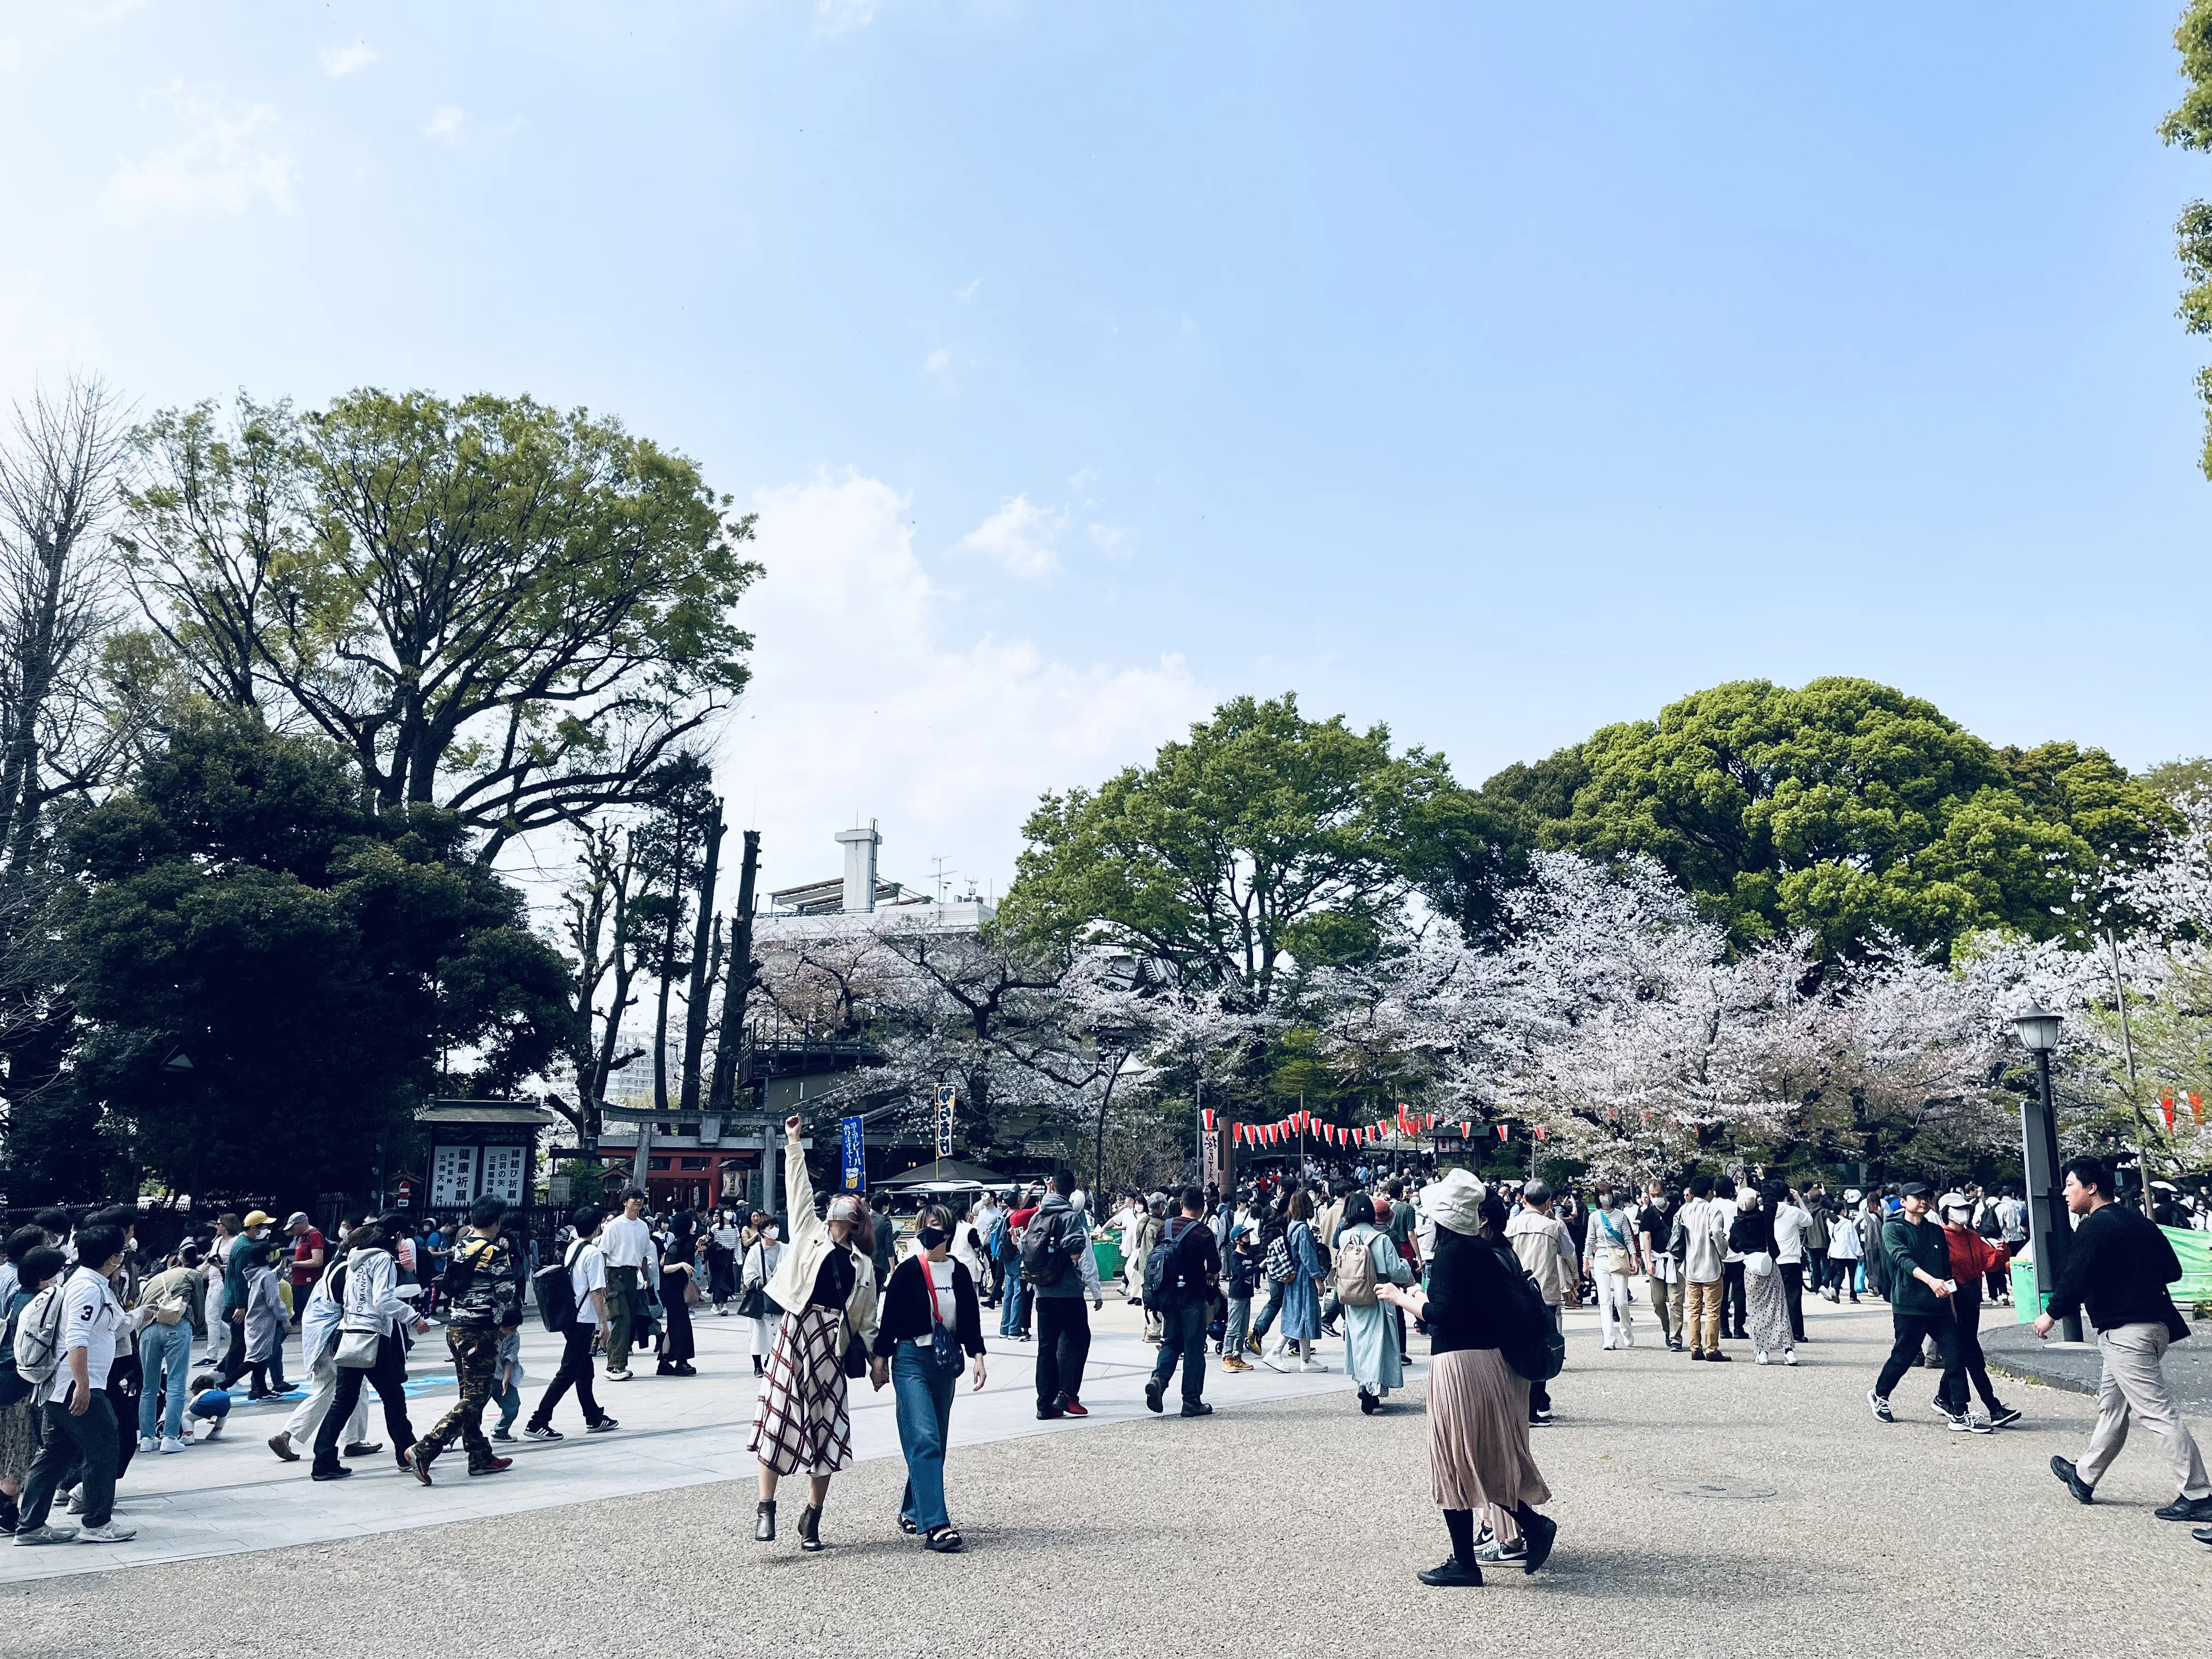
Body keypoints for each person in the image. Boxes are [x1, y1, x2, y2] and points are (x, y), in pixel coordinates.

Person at [1378, 1172, 1555, 1588]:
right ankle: (1528, 1525)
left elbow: (1444, 1314)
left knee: (1453, 1457)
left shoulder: (1453, 1254)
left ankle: (1467, 1562)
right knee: (1482, 1454)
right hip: (1489, 1362)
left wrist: (1403, 1298)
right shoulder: (1482, 1250)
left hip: (1458, 1364)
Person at [2035, 1156, 2212, 1520]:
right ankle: (2085, 1476)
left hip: (2126, 1333)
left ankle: (2199, 1494)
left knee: (2156, 1411)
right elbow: (2172, 1271)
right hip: (2155, 1327)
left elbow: (2074, 1280)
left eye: (2071, 1185)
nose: (2066, 1192)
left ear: (2092, 1188)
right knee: (2112, 1406)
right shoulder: (2139, 1222)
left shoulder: (2095, 1228)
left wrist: (2049, 1315)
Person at [751, 1115, 881, 1551]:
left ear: (857, 1218)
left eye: (847, 1204)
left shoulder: (863, 1265)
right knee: (778, 1418)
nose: (838, 1206)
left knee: (826, 1427)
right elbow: (798, 1189)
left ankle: (813, 1517)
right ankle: (766, 1507)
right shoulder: (808, 1233)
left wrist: (878, 1358)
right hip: (796, 1328)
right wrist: (793, 1141)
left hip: (832, 1340)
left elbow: (867, 1320)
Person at [873, 1203, 988, 1553]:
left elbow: (969, 1318)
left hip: (944, 1362)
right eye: (923, 1225)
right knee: (923, 1437)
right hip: (910, 1358)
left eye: (934, 1225)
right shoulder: (908, 1271)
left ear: (949, 1232)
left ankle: (912, 1507)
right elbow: (889, 1317)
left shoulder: (959, 1273)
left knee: (936, 1439)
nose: (928, 1231)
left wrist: (978, 1356)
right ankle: (937, 1524)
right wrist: (880, 1359)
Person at [13, 1224, 134, 1545]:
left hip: (67, 1385)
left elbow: (109, 1329)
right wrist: (83, 1385)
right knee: (105, 1450)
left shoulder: (89, 1283)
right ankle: (96, 1523)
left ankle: (30, 1527)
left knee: (56, 1454)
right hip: (79, 1386)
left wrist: (144, 1316)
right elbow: (76, 1339)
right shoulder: (87, 1288)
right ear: (112, 1258)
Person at [408, 1194, 522, 1483]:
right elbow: (506, 1293)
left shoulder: (461, 1245)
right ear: (497, 1222)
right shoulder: (494, 1251)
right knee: (477, 1396)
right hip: (480, 1331)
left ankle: (479, 1454)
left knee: (470, 1393)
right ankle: (426, 1448)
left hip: (456, 1328)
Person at [310, 1222, 425, 1481]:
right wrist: (414, 1317)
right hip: (373, 1337)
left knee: (344, 1401)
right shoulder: (383, 1258)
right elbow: (382, 1299)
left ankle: (324, 1461)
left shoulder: (353, 1260)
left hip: (349, 1333)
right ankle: (407, 1453)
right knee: (393, 1396)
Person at [268, 1232, 374, 1466]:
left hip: (321, 1337)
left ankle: (353, 1439)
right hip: (332, 1339)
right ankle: (288, 1435)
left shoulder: (335, 1266)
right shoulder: (349, 1272)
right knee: (337, 1389)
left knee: (348, 1388)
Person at [1866, 1182, 1968, 1429]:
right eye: (1917, 1197)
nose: (1923, 1201)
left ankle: (1960, 1412)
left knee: (1955, 1355)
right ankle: (1880, 1394)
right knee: (1905, 1355)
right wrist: (1931, 1281)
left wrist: (1950, 1293)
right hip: (1909, 1304)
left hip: (1940, 1305)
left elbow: (1946, 1268)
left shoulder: (1935, 1231)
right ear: (1903, 1202)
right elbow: (1903, 1259)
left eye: (1927, 1197)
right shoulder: (1893, 1228)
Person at [525, 1205, 619, 1441]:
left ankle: (593, 1416)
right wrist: (604, 1325)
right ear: (598, 1226)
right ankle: (538, 1421)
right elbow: (598, 1292)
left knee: (584, 1369)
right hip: (583, 1319)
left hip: (570, 1315)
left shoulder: (573, 1247)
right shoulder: (594, 1254)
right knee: (568, 1371)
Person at [1934, 1193, 2021, 1432]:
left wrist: (2003, 1251)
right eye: (1959, 1209)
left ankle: (1943, 1398)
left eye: (1966, 1208)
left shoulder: (1972, 1236)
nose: (1965, 1212)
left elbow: (1989, 1261)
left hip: (1972, 1301)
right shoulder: (1941, 1237)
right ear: (1947, 1213)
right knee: (1972, 1356)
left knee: (1963, 1354)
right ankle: (1993, 1407)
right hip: (1954, 1302)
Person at [0, 1245, 65, 1533]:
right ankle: (6, 1513)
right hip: (18, 1389)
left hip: (6, 1383)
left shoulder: (17, 1298)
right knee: (20, 1454)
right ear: (45, 1277)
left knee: (8, 1452)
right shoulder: (41, 1305)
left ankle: (9, 1514)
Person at [1028, 1173, 1103, 1419]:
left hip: (1042, 1292)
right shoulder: (1069, 1216)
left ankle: (1044, 1405)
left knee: (1046, 1348)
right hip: (1068, 1292)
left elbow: (1025, 1247)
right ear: (1071, 1192)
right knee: (1079, 1339)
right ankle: (1068, 1393)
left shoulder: (1038, 1215)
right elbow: (1076, 1250)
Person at [1143, 1187, 1221, 1418]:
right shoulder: (1203, 1232)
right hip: (1193, 1297)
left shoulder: (1165, 1227)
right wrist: (1209, 1274)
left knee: (1171, 1342)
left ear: (1182, 1204)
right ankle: (1191, 1401)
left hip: (1167, 1297)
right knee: (1194, 1348)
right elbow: (1215, 1266)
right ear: (1202, 1207)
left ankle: (1159, 1379)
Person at [1334, 1193, 1414, 1412]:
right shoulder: (1383, 1240)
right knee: (1377, 1342)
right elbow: (1396, 1271)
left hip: (1353, 1296)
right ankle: (1371, 1386)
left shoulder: (1344, 1238)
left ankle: (1362, 1381)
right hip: (1379, 1294)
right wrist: (1407, 1267)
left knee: (1359, 1342)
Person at [1505, 1182, 1576, 1415]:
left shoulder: (1511, 1225)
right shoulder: (1554, 1227)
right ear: (1548, 1203)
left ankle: (1520, 1402)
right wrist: (1574, 1277)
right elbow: (1568, 1253)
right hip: (1545, 1292)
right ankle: (1536, 1403)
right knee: (1542, 1347)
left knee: (1517, 1343)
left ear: (1523, 1199)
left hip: (1516, 1292)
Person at [134, 1244, 202, 1453]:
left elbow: (139, 1305)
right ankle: (170, 1438)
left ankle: (147, 1439)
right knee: (176, 1384)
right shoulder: (192, 1274)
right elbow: (199, 1306)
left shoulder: (153, 1281)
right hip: (176, 1326)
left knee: (148, 1387)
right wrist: (195, 1327)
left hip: (148, 1330)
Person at [1261, 1188, 1327, 1373]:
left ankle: (1306, 1359)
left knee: (1299, 1315)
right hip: (1304, 1278)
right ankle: (1275, 1352)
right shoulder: (1303, 1229)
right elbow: (1308, 1257)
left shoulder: (1292, 1226)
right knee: (1302, 1316)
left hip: (1294, 1276)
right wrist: (1318, 1279)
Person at [1729, 1187, 1793, 1366]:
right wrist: (1763, 1181)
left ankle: (1763, 1351)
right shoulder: (1765, 1219)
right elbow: (1771, 1201)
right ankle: (1788, 1351)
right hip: (1770, 1265)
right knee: (1779, 1309)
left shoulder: (1738, 1226)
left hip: (1751, 1269)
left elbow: (1734, 1247)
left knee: (1757, 1313)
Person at [599, 1188, 654, 1382]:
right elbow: (604, 1254)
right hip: (615, 1275)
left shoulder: (643, 1227)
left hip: (633, 1276)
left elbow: (645, 1255)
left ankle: (620, 1364)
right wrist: (603, 1282)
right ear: (625, 1202)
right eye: (634, 1198)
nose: (638, 1201)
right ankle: (614, 1366)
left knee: (629, 1320)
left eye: (641, 1199)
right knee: (620, 1318)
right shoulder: (614, 1226)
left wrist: (646, 1277)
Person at [1678, 1175, 1730, 1362]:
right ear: (1710, 1192)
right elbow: (1716, 1233)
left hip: (1691, 1267)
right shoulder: (1713, 1210)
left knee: (1693, 1310)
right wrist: (1723, 1251)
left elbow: (1677, 1229)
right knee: (1712, 1311)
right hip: (1711, 1267)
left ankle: (1695, 1348)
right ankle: (1712, 1349)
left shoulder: (1685, 1210)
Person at [1584, 1187, 1641, 1351]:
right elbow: (1590, 1240)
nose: (1605, 1197)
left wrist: (1634, 1257)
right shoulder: (1594, 1217)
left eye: (1607, 1194)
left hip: (1619, 1257)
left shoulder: (1621, 1216)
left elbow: (1628, 1239)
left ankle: (1626, 1329)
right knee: (1604, 1300)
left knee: (1622, 1301)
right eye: (1602, 1194)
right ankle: (1609, 1339)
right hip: (1601, 1258)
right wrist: (1586, 1261)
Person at [240, 1238, 292, 1398]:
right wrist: (285, 1319)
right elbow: (274, 1301)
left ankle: (260, 1390)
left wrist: (281, 1266)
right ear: (268, 1256)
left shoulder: (255, 1273)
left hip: (255, 1320)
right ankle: (225, 1383)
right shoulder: (266, 1275)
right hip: (264, 1321)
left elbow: (270, 1280)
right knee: (256, 1359)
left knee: (259, 1358)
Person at [1640, 1181, 1683, 1351]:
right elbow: (1647, 1238)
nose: (1656, 1198)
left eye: (1658, 1195)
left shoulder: (1677, 1210)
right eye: (1652, 1196)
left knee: (1676, 1301)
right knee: (1658, 1301)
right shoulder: (1649, 1214)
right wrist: (1648, 1260)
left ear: (1665, 1193)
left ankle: (1676, 1338)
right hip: (1658, 1260)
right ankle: (1667, 1328)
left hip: (1676, 1260)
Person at [656, 1214, 698, 1377]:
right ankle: (681, 1361)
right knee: (681, 1325)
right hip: (672, 1291)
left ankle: (665, 1362)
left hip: (678, 1289)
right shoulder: (676, 1244)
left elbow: (688, 1255)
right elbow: (666, 1268)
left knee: (675, 1325)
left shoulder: (686, 1242)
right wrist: (682, 1264)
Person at [742, 1220, 785, 1377]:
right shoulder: (755, 1251)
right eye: (770, 1227)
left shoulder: (786, 1249)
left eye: (776, 1226)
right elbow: (748, 1273)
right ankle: (758, 1365)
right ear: (762, 1231)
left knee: (779, 1331)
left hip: (780, 1297)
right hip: (761, 1297)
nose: (774, 1230)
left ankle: (772, 1360)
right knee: (758, 1332)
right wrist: (761, 1282)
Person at [1221, 1212, 1260, 1375]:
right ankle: (1227, 1357)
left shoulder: (1249, 1255)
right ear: (1237, 1240)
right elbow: (1242, 1272)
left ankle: (1238, 1356)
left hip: (1247, 1296)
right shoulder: (1235, 1257)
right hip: (1237, 1296)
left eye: (1248, 1236)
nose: (1248, 1239)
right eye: (1244, 1237)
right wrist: (1259, 1267)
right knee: (1233, 1328)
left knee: (1243, 1329)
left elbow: (1259, 1265)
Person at [1771, 1186, 1810, 1344]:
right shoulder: (1792, 1212)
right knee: (1793, 1297)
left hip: (1773, 1259)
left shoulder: (1766, 1211)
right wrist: (1799, 1199)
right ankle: (1796, 1332)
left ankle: (1776, 1331)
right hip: (1792, 1259)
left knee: (1774, 1298)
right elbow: (1809, 1220)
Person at [285, 1212, 326, 1329]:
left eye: (293, 1227)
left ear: (301, 1224)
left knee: (308, 1313)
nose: (292, 1231)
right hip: (298, 1281)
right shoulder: (301, 1237)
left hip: (309, 1282)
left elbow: (317, 1261)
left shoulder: (315, 1235)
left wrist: (294, 1264)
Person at [1824, 1198, 1863, 1302]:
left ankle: (1835, 1289)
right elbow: (1854, 1240)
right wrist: (1860, 1253)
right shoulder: (1848, 1223)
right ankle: (1853, 1296)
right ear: (1842, 1211)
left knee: (1840, 1273)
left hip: (1836, 1251)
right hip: (1849, 1253)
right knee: (1852, 1275)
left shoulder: (1830, 1222)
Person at [706, 1210, 741, 1314]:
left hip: (729, 1256)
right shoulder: (715, 1228)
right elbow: (709, 1242)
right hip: (717, 1257)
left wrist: (739, 1259)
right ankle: (723, 1305)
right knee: (720, 1280)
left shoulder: (735, 1228)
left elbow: (738, 1244)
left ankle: (716, 1304)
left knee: (726, 1279)